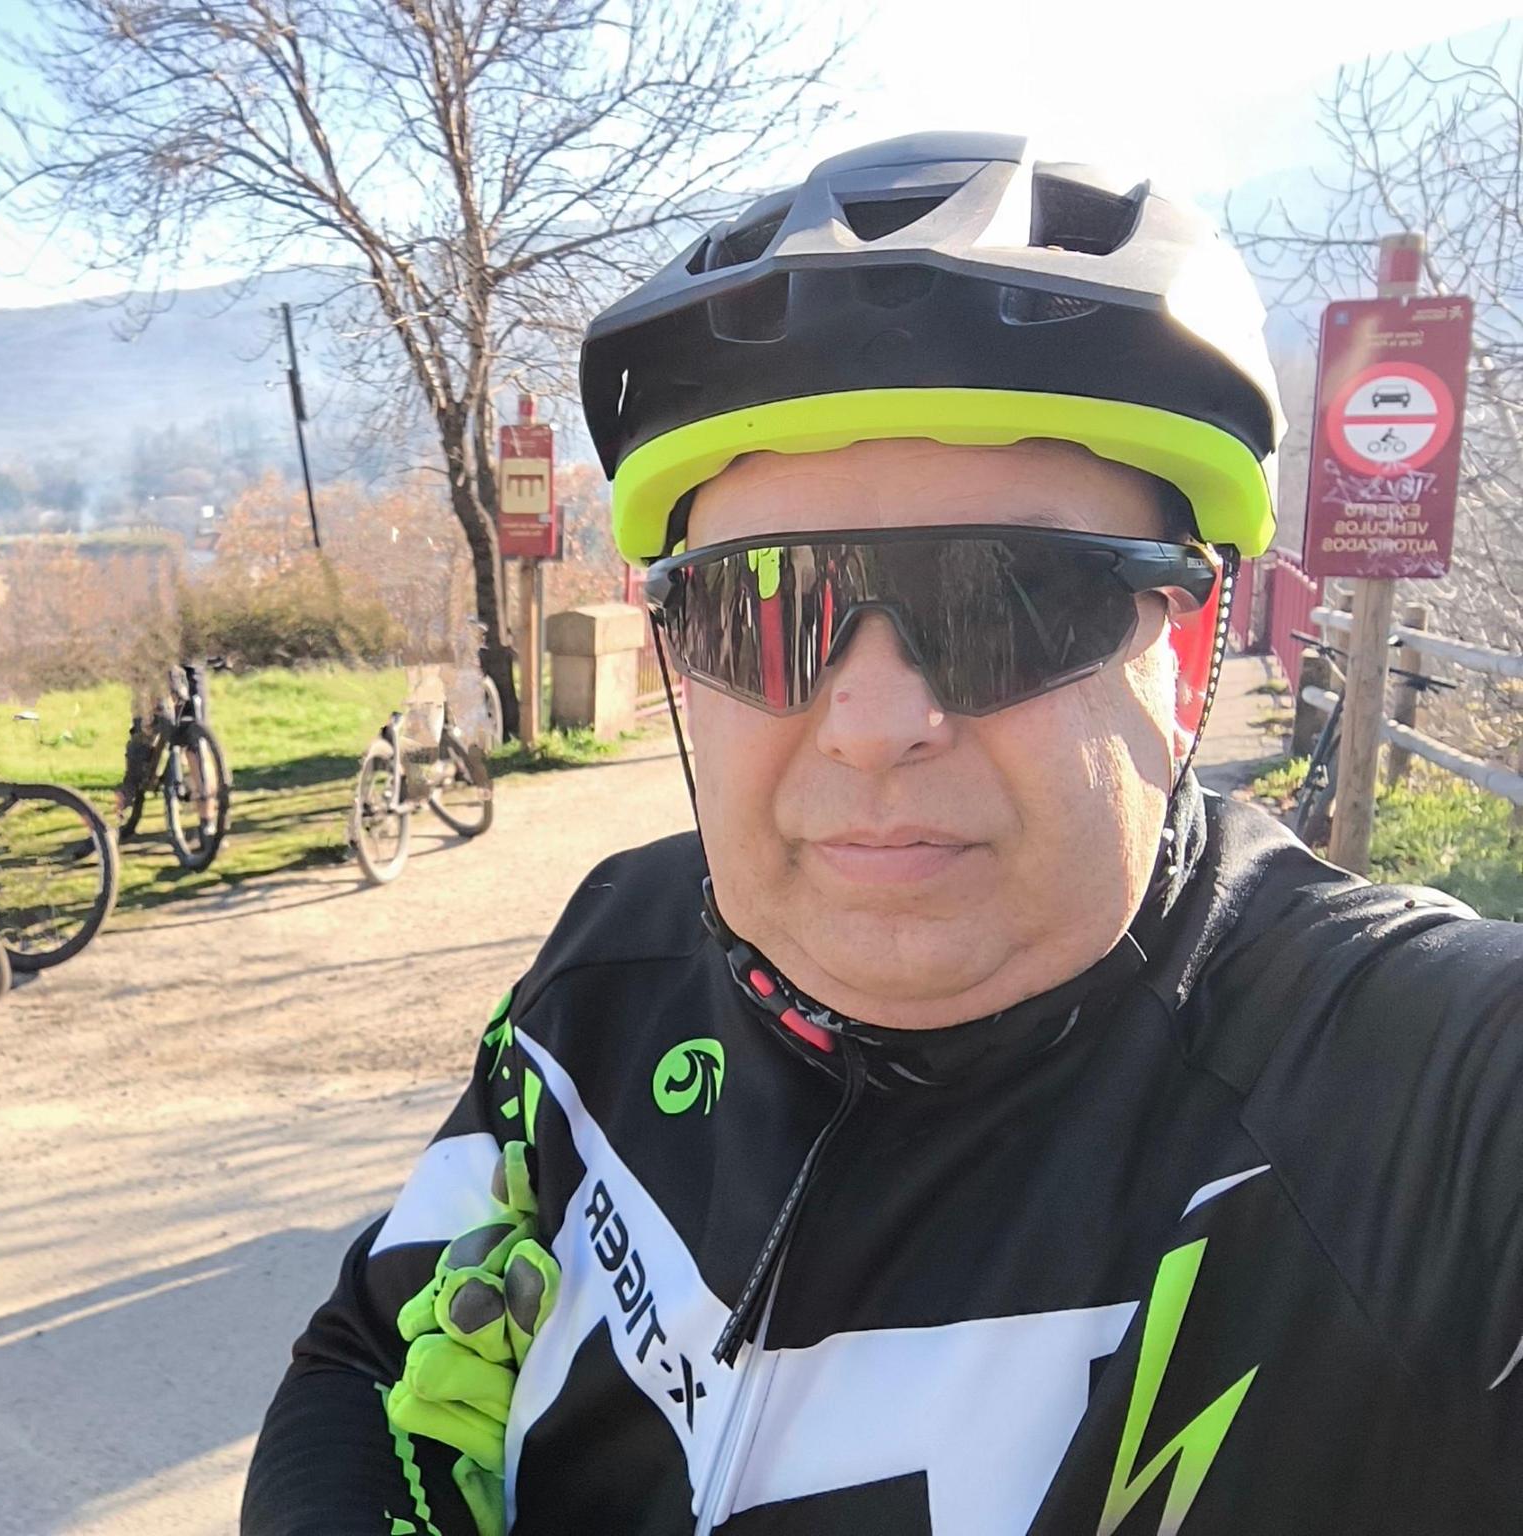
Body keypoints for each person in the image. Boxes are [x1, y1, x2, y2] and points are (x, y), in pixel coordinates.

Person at [240, 132, 1523, 1535]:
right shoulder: (613, 957)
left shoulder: (1416, 1103)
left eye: (1010, 601)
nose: (873, 722)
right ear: (680, 656)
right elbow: (364, 1356)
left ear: (1189, 636)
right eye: (760, 609)